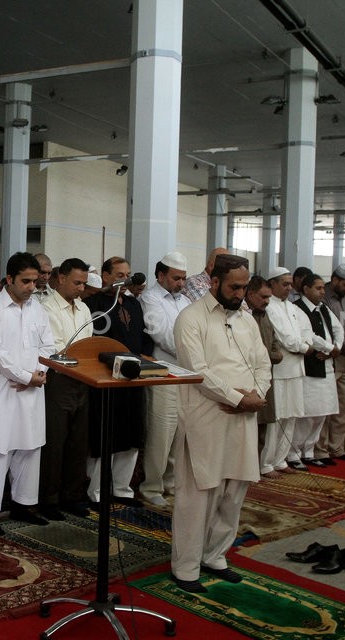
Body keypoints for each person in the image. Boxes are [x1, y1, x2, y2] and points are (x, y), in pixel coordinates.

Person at [170, 253, 270, 592]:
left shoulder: (246, 320)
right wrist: (238, 398)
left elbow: (262, 364)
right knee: (198, 496)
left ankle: (215, 556)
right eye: (234, 287)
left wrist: (256, 396)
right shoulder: (191, 318)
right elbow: (198, 372)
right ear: (214, 282)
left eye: (244, 287)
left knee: (233, 493)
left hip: (242, 417)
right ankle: (185, 567)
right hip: (207, 417)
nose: (240, 294)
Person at [0, 252, 54, 534]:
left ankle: (23, 504)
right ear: (8, 279)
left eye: (35, 282)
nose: (31, 287)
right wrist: (26, 376)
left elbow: (49, 345)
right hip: (3, 389)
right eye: (25, 281)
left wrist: (38, 374)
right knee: (0, 449)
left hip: (34, 388)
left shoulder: (37, 307)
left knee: (30, 447)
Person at [84, 256, 149, 505]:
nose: (126, 279)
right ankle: (97, 491)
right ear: (106, 276)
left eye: (128, 275)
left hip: (134, 377)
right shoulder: (94, 303)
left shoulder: (134, 304)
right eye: (120, 275)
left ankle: (122, 489)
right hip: (106, 378)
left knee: (131, 435)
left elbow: (141, 338)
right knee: (106, 435)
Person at [38, 258, 93, 520]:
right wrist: (78, 357)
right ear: (60, 279)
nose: (81, 288)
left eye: (84, 283)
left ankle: (73, 496)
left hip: (83, 378)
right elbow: (55, 348)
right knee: (55, 441)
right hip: (59, 378)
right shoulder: (47, 307)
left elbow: (89, 343)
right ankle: (49, 499)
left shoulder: (83, 309)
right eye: (76, 282)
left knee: (78, 441)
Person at [138, 251, 190, 507]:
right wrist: (192, 351)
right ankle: (151, 487)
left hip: (185, 375)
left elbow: (194, 331)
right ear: (161, 275)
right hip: (163, 374)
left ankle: (172, 483)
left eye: (183, 278)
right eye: (176, 278)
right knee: (161, 433)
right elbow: (161, 334)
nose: (181, 283)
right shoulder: (150, 298)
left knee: (181, 432)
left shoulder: (184, 301)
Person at [290, 274, 343, 468]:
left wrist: (336, 346)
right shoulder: (297, 309)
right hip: (310, 365)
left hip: (327, 365)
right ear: (305, 289)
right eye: (318, 288)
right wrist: (329, 348)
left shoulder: (324, 308)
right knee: (306, 415)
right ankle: (294, 453)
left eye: (322, 288)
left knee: (322, 413)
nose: (322, 291)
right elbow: (307, 335)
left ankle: (309, 451)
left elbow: (339, 329)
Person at [261, 266, 309, 477]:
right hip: (279, 371)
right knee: (277, 418)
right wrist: (306, 347)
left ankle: (280, 459)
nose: (290, 287)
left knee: (291, 416)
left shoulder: (291, 307)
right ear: (272, 284)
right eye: (285, 283)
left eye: (290, 283)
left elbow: (305, 332)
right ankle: (265, 463)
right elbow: (286, 339)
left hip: (296, 369)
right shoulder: (269, 306)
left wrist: (305, 343)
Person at [316, 264, 345, 462]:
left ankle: (337, 448)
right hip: (332, 358)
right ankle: (321, 450)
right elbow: (328, 330)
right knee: (327, 406)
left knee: (344, 406)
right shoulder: (324, 298)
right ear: (334, 280)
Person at [245, 276, 282, 472]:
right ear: (250, 294)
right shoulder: (242, 314)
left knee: (263, 426)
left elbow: (276, 345)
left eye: (269, 297)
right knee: (247, 426)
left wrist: (272, 355)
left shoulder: (265, 315)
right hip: (247, 378)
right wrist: (268, 356)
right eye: (263, 296)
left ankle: (256, 468)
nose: (267, 301)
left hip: (266, 378)